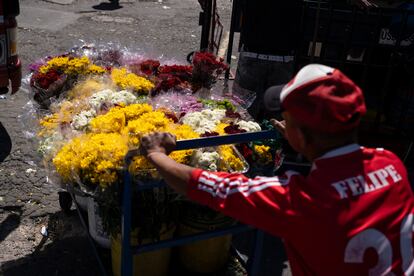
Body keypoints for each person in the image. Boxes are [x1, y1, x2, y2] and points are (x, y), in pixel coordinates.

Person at [140, 64, 414, 275]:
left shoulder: (299, 202)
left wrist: (155, 153)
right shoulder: (391, 164)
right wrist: (302, 140)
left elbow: (205, 185)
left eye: (286, 119)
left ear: (304, 137)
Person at [232, 0, 302, 121]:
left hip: (253, 52)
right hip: (283, 55)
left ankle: (243, 137)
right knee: (277, 117)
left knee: (242, 113)